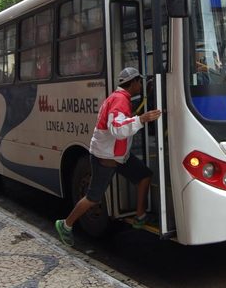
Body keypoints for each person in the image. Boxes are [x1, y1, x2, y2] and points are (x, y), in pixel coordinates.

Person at [55, 67, 162, 247]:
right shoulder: (119, 101)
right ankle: (65, 224)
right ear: (134, 82)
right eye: (140, 81)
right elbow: (117, 129)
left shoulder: (120, 98)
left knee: (144, 176)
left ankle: (140, 216)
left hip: (118, 156)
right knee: (93, 197)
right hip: (106, 158)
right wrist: (141, 119)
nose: (141, 85)